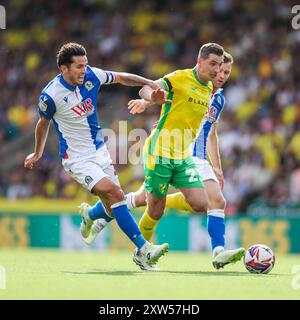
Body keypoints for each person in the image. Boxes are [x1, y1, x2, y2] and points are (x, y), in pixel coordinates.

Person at [85, 52, 245, 270]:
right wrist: (145, 102)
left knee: (207, 201)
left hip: (190, 155)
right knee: (155, 206)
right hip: (167, 150)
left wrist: (217, 166)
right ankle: (132, 241)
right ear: (205, 65)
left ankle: (218, 252)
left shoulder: (216, 97)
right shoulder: (185, 79)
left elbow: (210, 132)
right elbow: (167, 94)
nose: (221, 74)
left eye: (225, 71)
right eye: (217, 67)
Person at [24, 42, 169, 271]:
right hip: (77, 159)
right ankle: (144, 248)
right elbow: (42, 125)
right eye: (79, 67)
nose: (84, 70)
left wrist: (148, 82)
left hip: (99, 151)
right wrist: (38, 152)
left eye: (85, 65)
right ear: (64, 69)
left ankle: (90, 214)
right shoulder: (50, 95)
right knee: (116, 193)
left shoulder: (92, 75)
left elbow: (121, 77)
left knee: (113, 206)